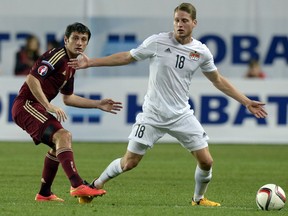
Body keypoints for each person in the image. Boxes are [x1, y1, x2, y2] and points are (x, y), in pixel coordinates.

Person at [69, 3, 268, 206]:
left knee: (207, 161)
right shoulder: (157, 41)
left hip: (181, 115)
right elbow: (127, 57)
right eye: (176, 20)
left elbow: (217, 80)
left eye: (184, 21)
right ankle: (94, 185)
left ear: (194, 23)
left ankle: (198, 199)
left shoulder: (201, 51)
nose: (179, 24)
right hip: (152, 115)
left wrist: (245, 101)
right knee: (129, 162)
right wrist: (91, 62)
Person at [11, 22, 123, 202]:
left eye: (84, 39)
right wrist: (48, 106)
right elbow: (32, 79)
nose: (79, 42)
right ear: (66, 40)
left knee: (60, 144)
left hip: (35, 106)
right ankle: (77, 185)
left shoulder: (71, 65)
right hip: (26, 105)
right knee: (63, 136)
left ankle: (44, 193)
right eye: (75, 38)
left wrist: (97, 104)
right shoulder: (57, 56)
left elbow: (68, 98)